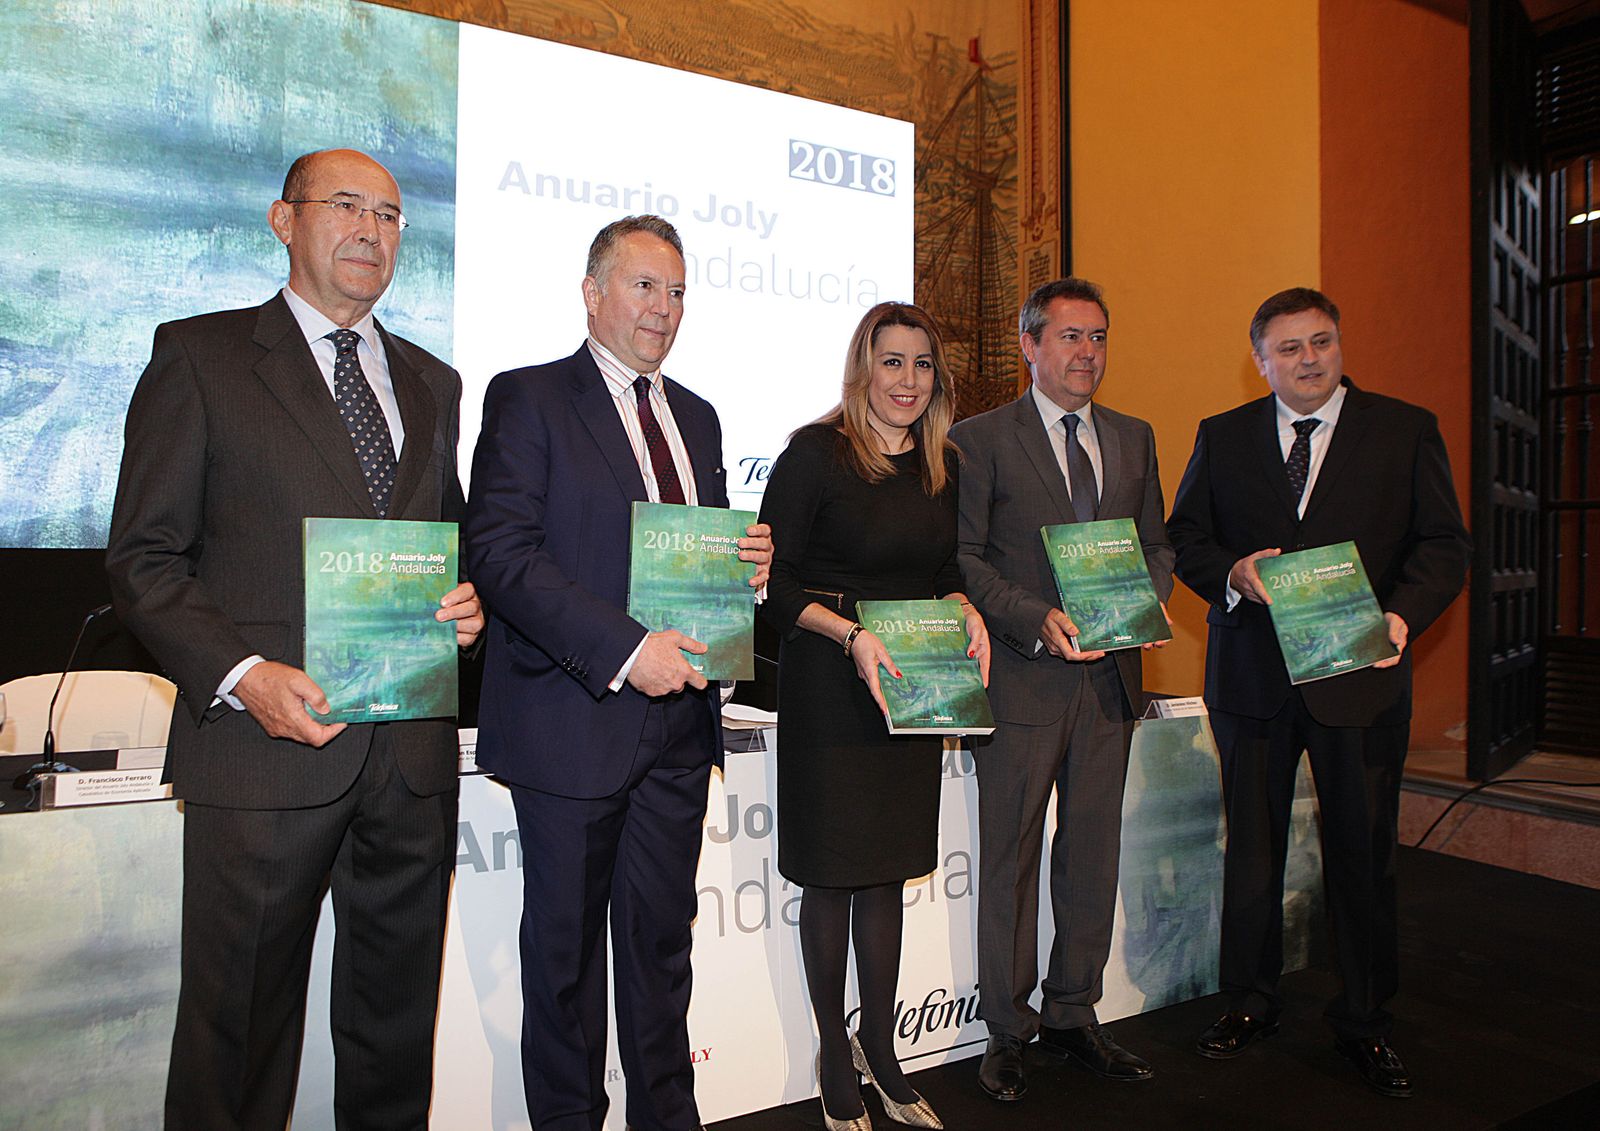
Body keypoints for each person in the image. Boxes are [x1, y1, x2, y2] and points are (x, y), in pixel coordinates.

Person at [104, 148, 483, 1129]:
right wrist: (241, 674)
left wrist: (466, 608)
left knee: (394, 1035)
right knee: (237, 1039)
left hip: (408, 758)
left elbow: (446, 546)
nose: (372, 230)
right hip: (264, 752)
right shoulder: (201, 357)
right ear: (284, 220)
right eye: (346, 206)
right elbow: (144, 561)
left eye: (392, 216)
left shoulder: (434, 383)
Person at [463, 214, 772, 1131]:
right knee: (562, 965)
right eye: (645, 286)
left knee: (659, 957)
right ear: (592, 292)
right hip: (570, 724)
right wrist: (626, 651)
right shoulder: (528, 397)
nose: (664, 308)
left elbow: (694, 565)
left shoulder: (701, 417)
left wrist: (744, 568)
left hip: (678, 732)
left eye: (677, 291)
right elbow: (503, 555)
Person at [1166, 286, 1469, 1097]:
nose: (1309, 359)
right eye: (1290, 347)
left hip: (1360, 677)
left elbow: (1444, 545)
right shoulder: (1222, 436)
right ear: (1259, 360)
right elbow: (1184, 536)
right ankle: (1249, 1001)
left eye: (1322, 342)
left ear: (1340, 346)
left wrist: (1402, 617)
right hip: (1252, 680)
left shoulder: (1404, 429)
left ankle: (1366, 1021)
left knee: (1364, 856)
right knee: (1254, 854)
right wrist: (1231, 572)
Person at [758, 302, 990, 1131]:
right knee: (831, 874)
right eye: (892, 362)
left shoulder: (943, 464)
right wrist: (851, 632)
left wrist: (964, 608)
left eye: (922, 365)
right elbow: (776, 589)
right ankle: (831, 1047)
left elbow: (941, 569)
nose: (907, 380)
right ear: (863, 369)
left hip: (910, 691)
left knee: (887, 872)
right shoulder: (814, 454)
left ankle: (881, 1047)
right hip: (829, 685)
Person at [951, 277, 1173, 1101]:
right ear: (1030, 345)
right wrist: (1033, 615)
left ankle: (1075, 1011)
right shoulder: (979, 439)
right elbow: (965, 558)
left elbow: (1157, 546)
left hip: (1111, 681)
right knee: (1008, 858)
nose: (1088, 353)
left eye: (1100, 337)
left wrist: (1142, 600)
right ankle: (1006, 1031)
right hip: (1024, 678)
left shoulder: (1136, 436)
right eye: (1071, 337)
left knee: (1091, 854)